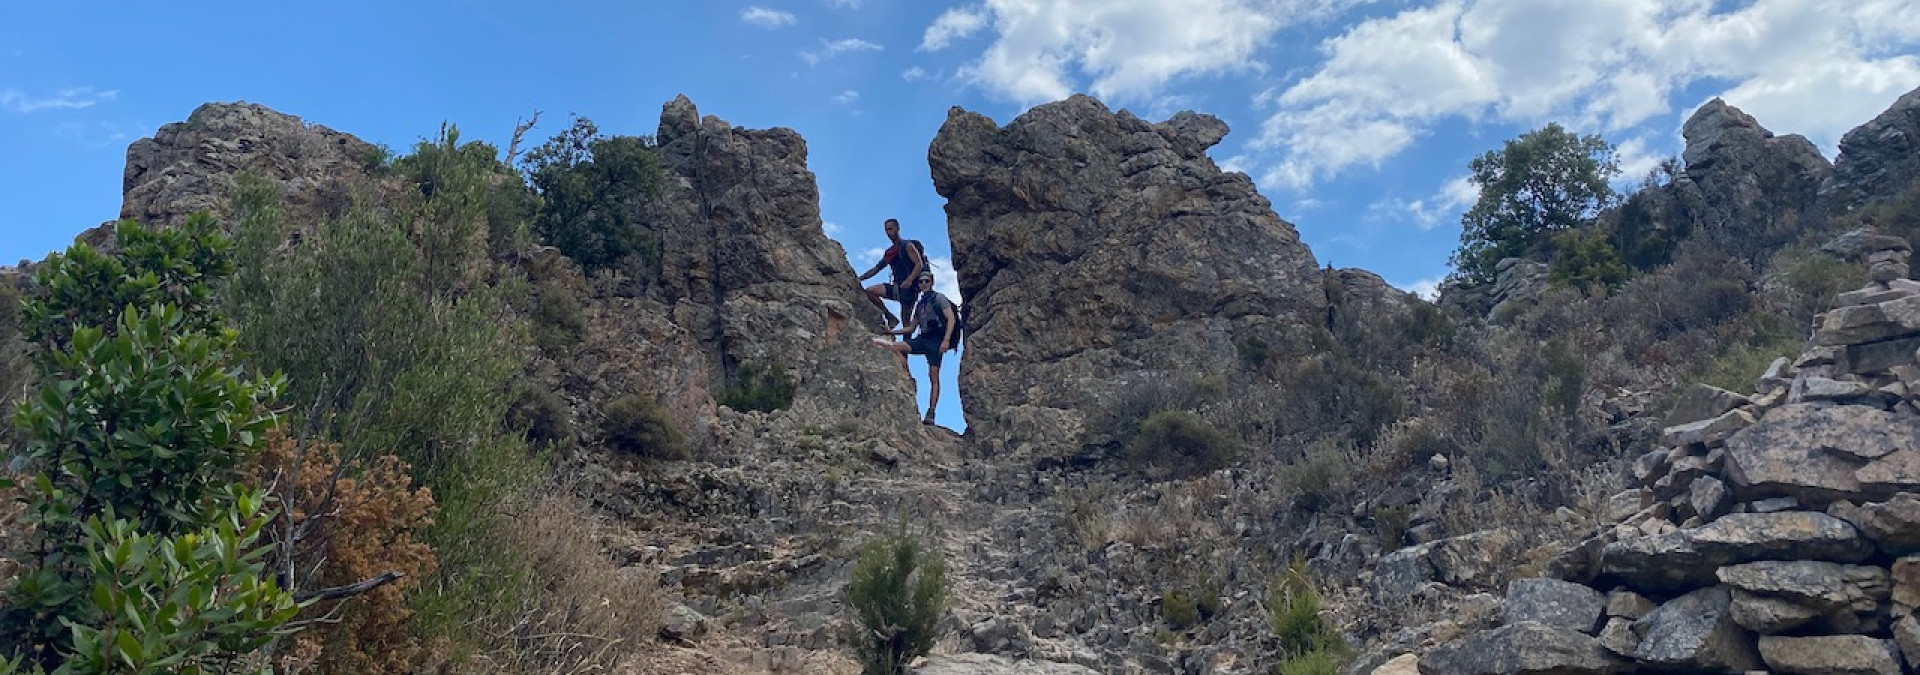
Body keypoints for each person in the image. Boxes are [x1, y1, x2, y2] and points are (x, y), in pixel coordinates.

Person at [874, 271, 957, 426]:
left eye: (926, 281)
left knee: (933, 376)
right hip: (923, 338)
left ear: (932, 282)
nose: (923, 284)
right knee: (897, 347)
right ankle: (878, 343)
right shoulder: (921, 305)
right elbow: (911, 328)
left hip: (936, 342)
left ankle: (931, 412)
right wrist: (891, 332)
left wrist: (946, 340)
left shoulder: (939, 298)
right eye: (920, 282)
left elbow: (950, 318)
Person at [857, 218, 926, 333]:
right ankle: (890, 317)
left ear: (897, 229)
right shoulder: (890, 252)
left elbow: (919, 263)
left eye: (890, 229)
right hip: (896, 287)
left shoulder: (907, 246)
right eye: (886, 230)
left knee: (906, 322)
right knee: (870, 291)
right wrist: (860, 278)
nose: (888, 233)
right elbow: (877, 268)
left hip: (909, 290)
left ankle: (904, 349)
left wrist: (909, 280)